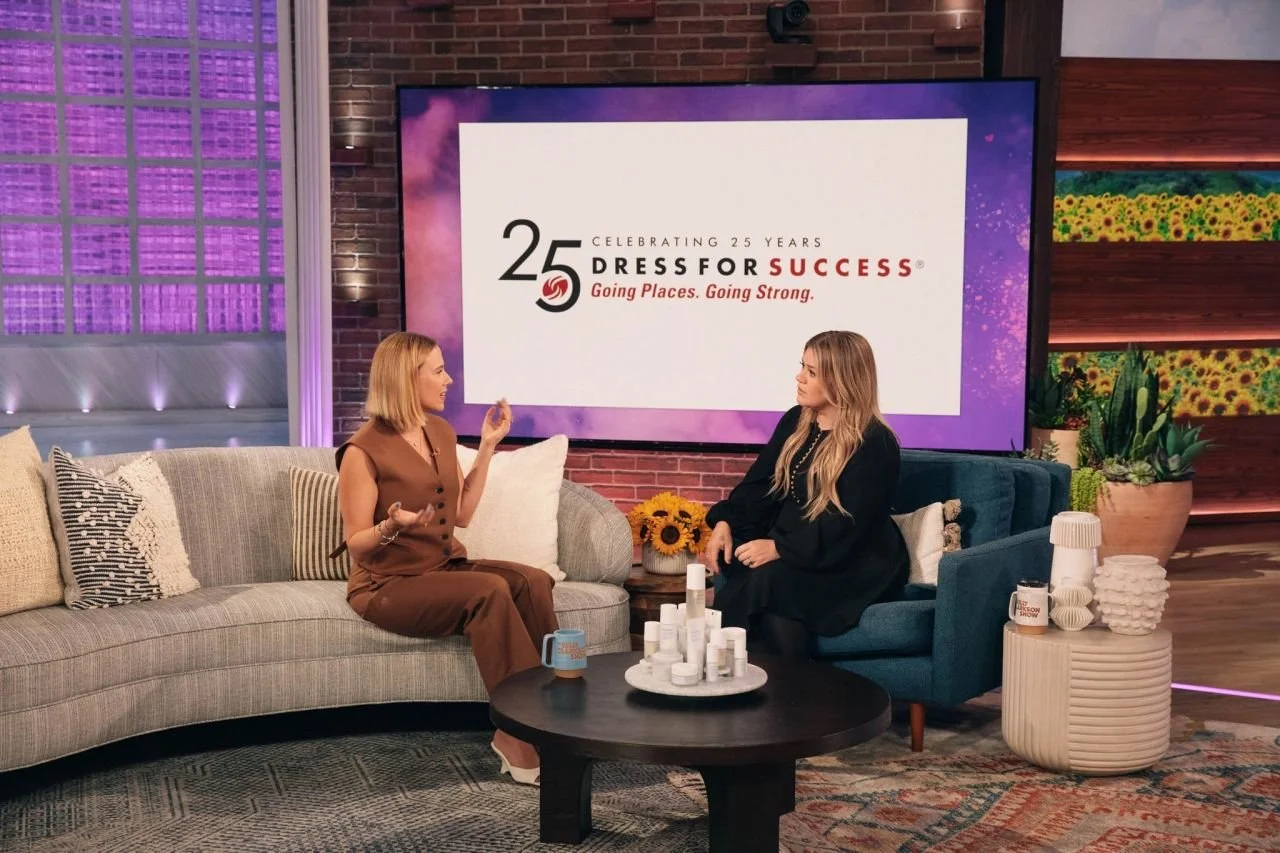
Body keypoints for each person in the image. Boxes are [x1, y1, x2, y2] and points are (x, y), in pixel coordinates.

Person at [332, 331, 555, 786]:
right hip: (387, 585)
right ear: (406, 379)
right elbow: (356, 542)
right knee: (489, 590)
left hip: (441, 568)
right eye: (438, 370)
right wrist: (394, 525)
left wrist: (489, 446)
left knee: (534, 581)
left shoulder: (440, 431)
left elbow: (464, 514)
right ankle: (514, 732)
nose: (448, 379)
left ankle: (557, 713)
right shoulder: (363, 450)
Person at [703, 330, 909, 659]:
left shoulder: (875, 443)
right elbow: (760, 486)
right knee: (774, 605)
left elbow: (848, 525)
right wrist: (726, 521)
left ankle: (718, 669)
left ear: (842, 380)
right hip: (799, 549)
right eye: (803, 366)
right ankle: (789, 700)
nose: (799, 377)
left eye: (811, 373)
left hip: (852, 562)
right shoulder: (795, 421)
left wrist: (780, 549)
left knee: (767, 582)